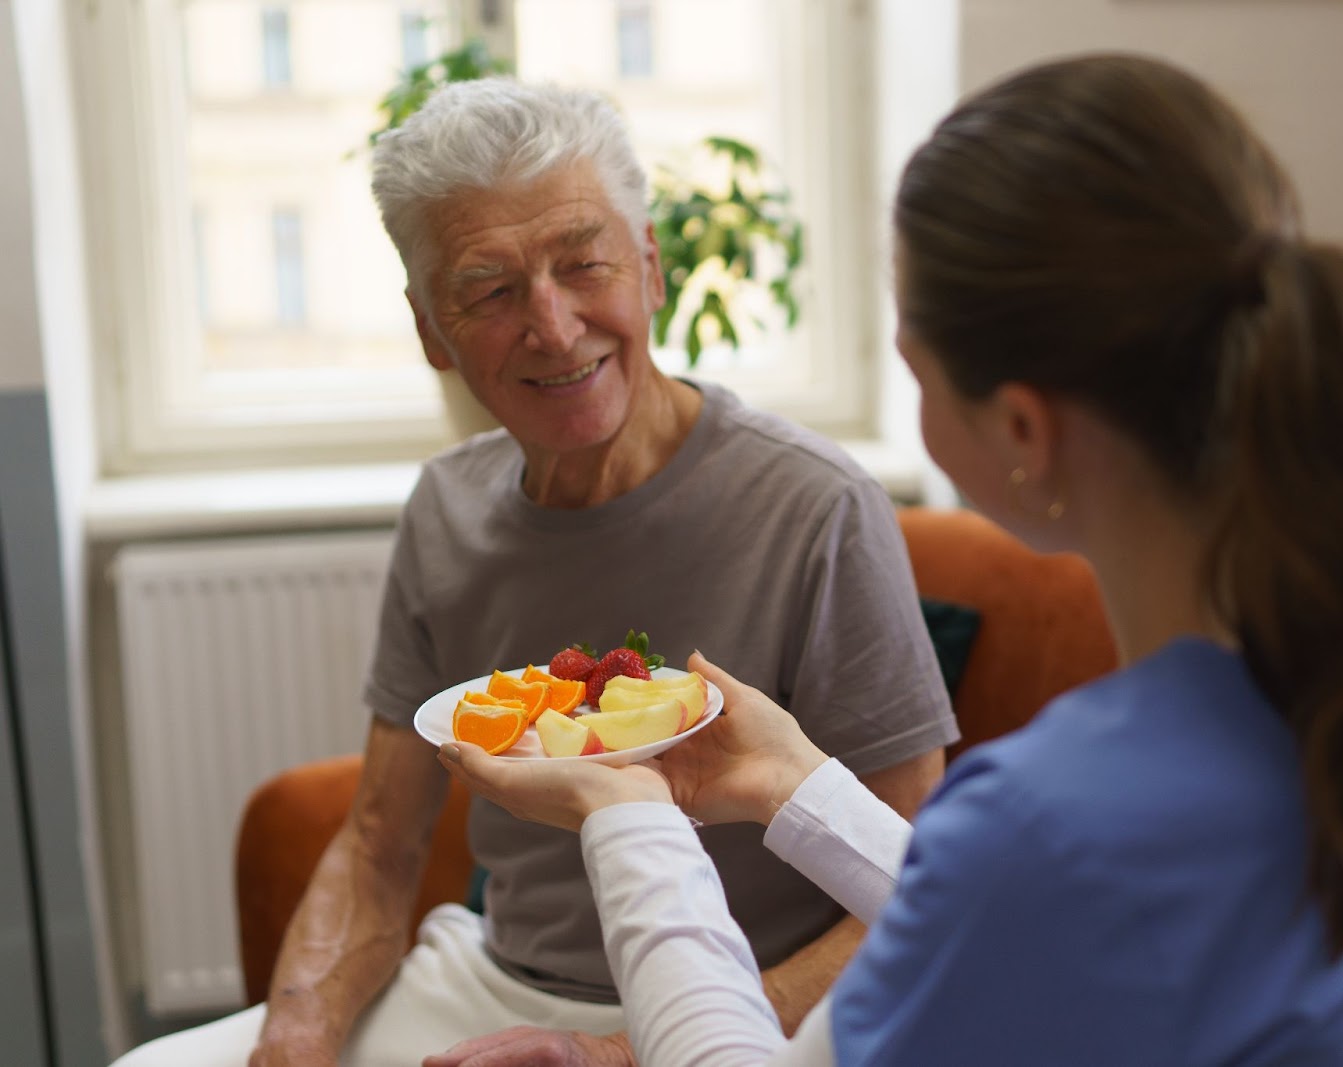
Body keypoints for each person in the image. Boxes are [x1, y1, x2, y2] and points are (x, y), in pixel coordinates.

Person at [429, 52, 1343, 1067]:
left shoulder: (1053, 819)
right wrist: (799, 785)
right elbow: (1041, 924)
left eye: (911, 356)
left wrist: (627, 814)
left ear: (1020, 429)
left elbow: (1033, 887)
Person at [110, 79, 957, 1067]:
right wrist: (298, 1034)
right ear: (431, 330)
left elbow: (911, 879)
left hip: (743, 1007)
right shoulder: (446, 507)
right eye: (490, 290)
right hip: (485, 979)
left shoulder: (817, 506)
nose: (553, 327)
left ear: (650, 269)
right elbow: (381, 844)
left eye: (583, 265)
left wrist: (627, 1048)